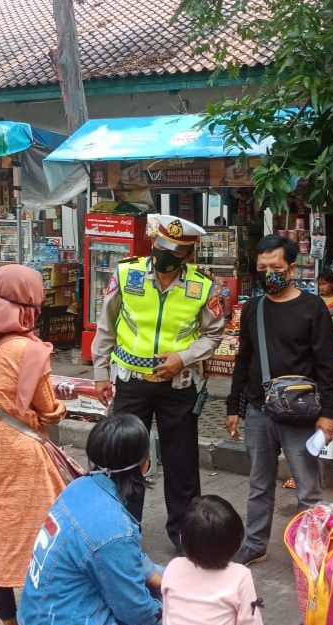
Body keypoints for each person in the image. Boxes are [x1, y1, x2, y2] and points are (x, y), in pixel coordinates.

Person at [91, 214, 225, 552]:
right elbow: (105, 325)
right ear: (153, 244)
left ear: (188, 254)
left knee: (182, 464)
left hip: (178, 385)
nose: (167, 257)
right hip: (131, 381)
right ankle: (122, 531)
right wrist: (100, 373)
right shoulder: (126, 273)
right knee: (124, 458)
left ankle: (185, 536)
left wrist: (184, 357)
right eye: (163, 248)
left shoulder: (202, 286)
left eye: (177, 251)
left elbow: (213, 334)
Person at [225, 234, 333, 566]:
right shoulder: (254, 309)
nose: (268, 274)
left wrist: (328, 414)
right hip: (260, 411)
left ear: (291, 268)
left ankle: (311, 550)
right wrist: (234, 406)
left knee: (308, 490)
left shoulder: (312, 307)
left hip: (301, 415)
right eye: (262, 268)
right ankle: (255, 543)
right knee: (259, 484)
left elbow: (326, 364)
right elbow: (243, 359)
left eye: (275, 267)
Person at [0, 264, 68, 625]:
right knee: (44, 538)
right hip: (26, 457)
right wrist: (59, 409)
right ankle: (42, 623)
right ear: (29, 305)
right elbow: (47, 407)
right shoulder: (28, 349)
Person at [17, 414, 165, 625]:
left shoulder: (78, 488)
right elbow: (136, 611)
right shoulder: (113, 529)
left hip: (40, 622)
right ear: (145, 463)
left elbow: (130, 557)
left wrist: (159, 577)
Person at [161, 495, 267, 625]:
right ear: (237, 542)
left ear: (182, 538)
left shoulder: (173, 567)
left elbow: (167, 622)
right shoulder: (240, 576)